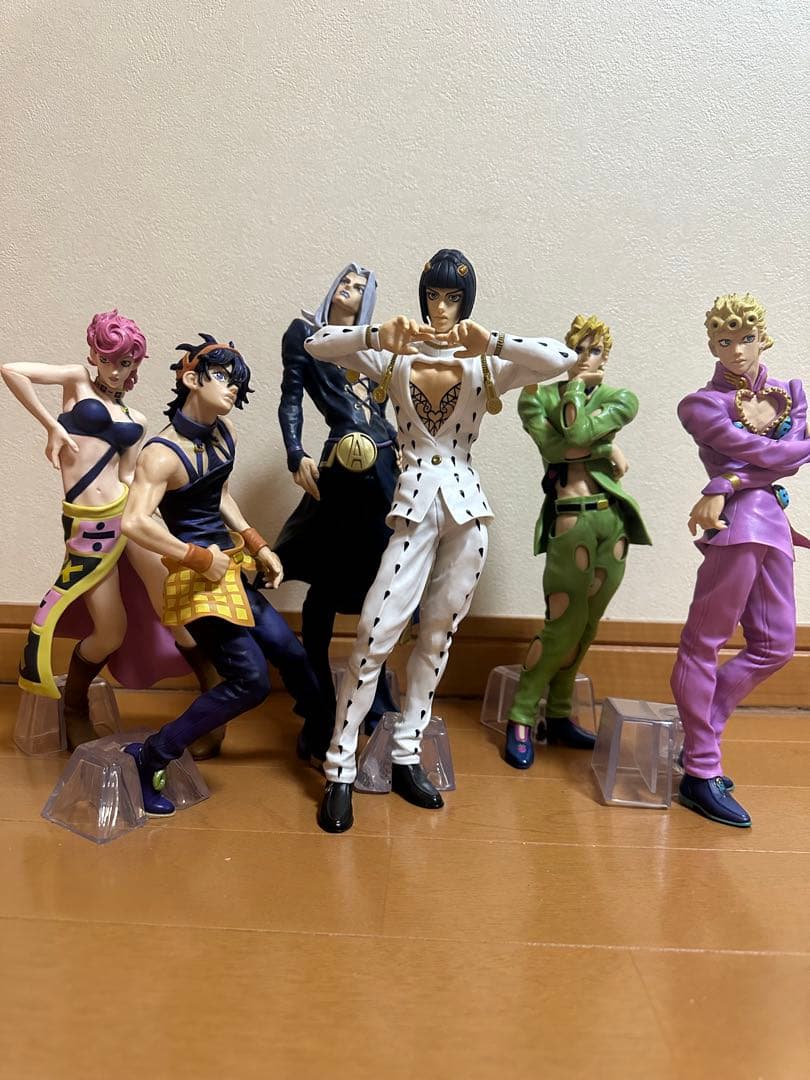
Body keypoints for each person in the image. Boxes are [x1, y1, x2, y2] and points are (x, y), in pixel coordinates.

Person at [304, 247, 577, 832]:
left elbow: (562, 358)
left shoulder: (484, 362)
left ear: (466, 302)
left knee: (438, 635)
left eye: (453, 297)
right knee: (374, 632)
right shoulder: (394, 354)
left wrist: (494, 341)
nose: (442, 307)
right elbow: (317, 343)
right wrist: (377, 332)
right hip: (412, 505)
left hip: (466, 507)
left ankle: (407, 753)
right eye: (434, 295)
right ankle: (340, 767)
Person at [120, 334, 333, 816]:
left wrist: (258, 544)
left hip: (230, 570)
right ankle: (152, 755)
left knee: (291, 652)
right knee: (250, 680)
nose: (233, 387)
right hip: (197, 583)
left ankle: (319, 738)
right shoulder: (161, 454)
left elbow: (218, 492)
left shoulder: (223, 432)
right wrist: (197, 557)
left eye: (238, 380)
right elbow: (133, 522)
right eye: (222, 376)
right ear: (191, 379)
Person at [0, 310, 207, 750]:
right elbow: (11, 370)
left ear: (136, 364)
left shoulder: (137, 418)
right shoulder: (76, 382)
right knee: (110, 630)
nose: (116, 369)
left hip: (127, 513)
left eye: (126, 362)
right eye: (109, 358)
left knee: (173, 603)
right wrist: (51, 425)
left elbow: (130, 477)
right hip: (89, 525)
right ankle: (74, 708)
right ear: (94, 354)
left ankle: (216, 696)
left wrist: (163, 509)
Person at [671, 293, 810, 827]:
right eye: (724, 341)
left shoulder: (788, 394)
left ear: (762, 339)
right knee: (703, 642)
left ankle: (700, 735)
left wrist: (726, 480)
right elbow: (777, 456)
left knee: (776, 645)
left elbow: (785, 463)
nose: (736, 350)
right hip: (737, 529)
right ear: (712, 345)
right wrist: (741, 475)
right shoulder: (701, 404)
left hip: (769, 522)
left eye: (745, 338)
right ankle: (701, 769)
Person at [504, 315, 651, 768]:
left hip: (611, 522)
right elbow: (563, 444)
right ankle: (521, 714)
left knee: (587, 626)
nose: (586, 358)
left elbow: (574, 440)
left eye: (595, 350)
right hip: (571, 520)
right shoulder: (537, 397)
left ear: (606, 356)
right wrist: (606, 447)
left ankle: (560, 713)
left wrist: (586, 441)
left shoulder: (621, 397)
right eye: (577, 349)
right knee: (562, 623)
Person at [275, 263, 399, 741]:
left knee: (384, 582)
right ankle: (317, 699)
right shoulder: (306, 333)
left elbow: (388, 407)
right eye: (344, 282)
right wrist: (295, 452)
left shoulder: (376, 342)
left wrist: (408, 448)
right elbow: (291, 397)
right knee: (324, 583)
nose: (349, 289)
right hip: (340, 468)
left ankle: (376, 697)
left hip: (384, 469)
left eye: (360, 287)